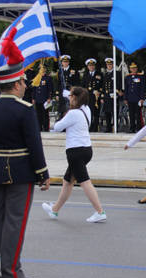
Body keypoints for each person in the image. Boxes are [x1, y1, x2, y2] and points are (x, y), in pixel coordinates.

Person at [0, 28, 50, 278]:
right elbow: (34, 144)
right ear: (18, 83)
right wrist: (42, 173)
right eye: (23, 83)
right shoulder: (25, 109)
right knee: (14, 223)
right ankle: (11, 272)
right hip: (20, 171)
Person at [42, 86, 106, 222]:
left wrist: (65, 114)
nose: (69, 98)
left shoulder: (73, 114)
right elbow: (68, 94)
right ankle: (54, 210)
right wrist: (69, 98)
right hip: (86, 149)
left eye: (71, 96)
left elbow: (57, 127)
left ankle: (100, 211)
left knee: (85, 182)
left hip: (75, 152)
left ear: (75, 98)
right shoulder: (86, 109)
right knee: (67, 181)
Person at [99, 58, 122, 132]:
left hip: (114, 95)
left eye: (110, 64)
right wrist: (102, 95)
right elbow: (103, 85)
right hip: (106, 96)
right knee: (107, 113)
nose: (109, 66)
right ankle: (108, 128)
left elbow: (119, 84)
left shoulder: (117, 73)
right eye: (108, 65)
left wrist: (118, 92)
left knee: (115, 112)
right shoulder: (105, 74)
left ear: (113, 65)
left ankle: (115, 127)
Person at [32, 61, 54, 131]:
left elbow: (50, 89)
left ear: (45, 69)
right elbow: (34, 89)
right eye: (40, 68)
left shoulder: (48, 78)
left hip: (45, 99)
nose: (41, 69)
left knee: (45, 115)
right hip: (38, 99)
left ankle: (46, 128)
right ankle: (39, 128)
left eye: (43, 68)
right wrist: (33, 98)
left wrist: (49, 97)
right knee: (38, 114)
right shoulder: (37, 78)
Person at [82, 58, 102, 132]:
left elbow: (102, 85)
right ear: (88, 67)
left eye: (93, 65)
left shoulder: (99, 74)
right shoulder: (85, 75)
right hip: (88, 97)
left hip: (96, 97)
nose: (91, 67)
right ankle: (89, 127)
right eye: (90, 66)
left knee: (96, 113)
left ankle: (95, 128)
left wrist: (99, 91)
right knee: (88, 113)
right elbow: (83, 86)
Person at [124, 62, 145, 132]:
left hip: (138, 98)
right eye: (132, 68)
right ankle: (132, 128)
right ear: (130, 69)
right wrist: (125, 98)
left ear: (136, 69)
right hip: (130, 98)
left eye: (134, 68)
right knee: (131, 114)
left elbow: (142, 88)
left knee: (138, 114)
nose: (133, 69)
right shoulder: (128, 77)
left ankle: (139, 128)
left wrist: (142, 98)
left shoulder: (140, 77)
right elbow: (126, 88)